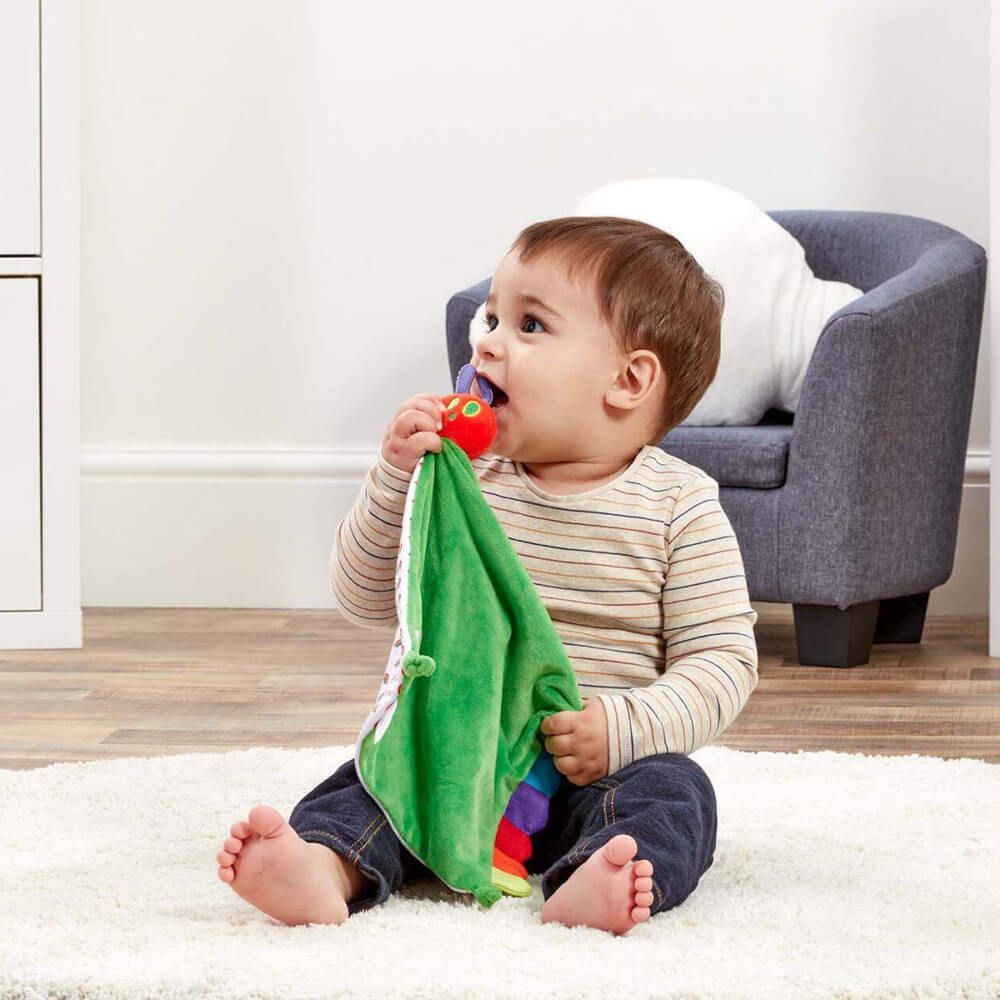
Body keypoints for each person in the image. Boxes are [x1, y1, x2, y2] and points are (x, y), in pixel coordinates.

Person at [216, 216, 759, 936]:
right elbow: (365, 597)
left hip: (590, 772)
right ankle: (325, 864)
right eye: (492, 316)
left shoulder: (677, 506)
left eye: (530, 325)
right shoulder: (464, 478)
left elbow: (723, 661)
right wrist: (395, 479)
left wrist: (621, 728)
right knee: (374, 779)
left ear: (628, 380)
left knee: (676, 794)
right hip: (455, 753)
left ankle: (597, 875)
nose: (487, 342)